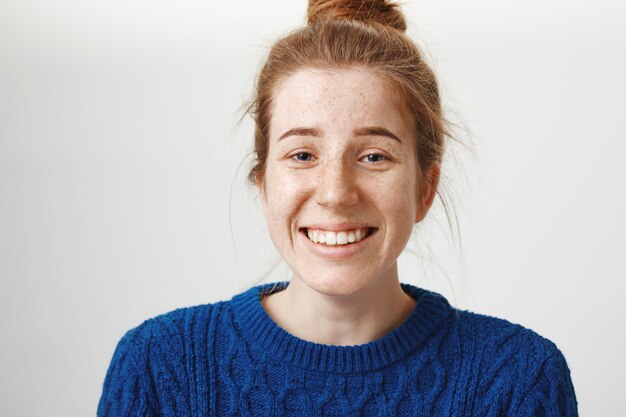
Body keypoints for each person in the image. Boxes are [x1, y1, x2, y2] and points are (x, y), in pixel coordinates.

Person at [97, 1, 578, 415]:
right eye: (302, 155)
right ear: (263, 182)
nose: (334, 193)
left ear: (424, 189)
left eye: (373, 156)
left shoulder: (518, 380)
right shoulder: (158, 368)